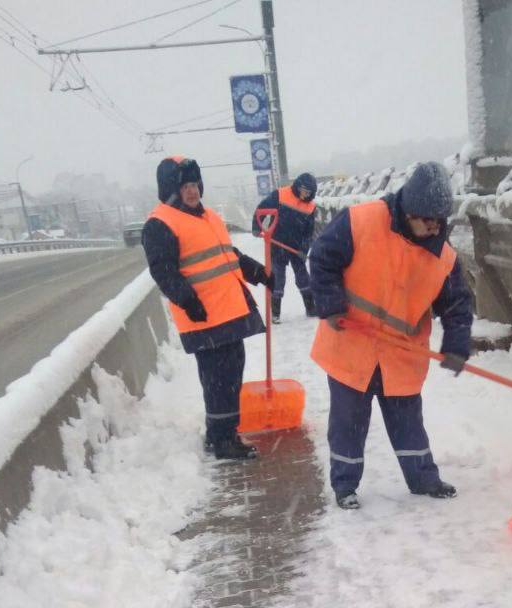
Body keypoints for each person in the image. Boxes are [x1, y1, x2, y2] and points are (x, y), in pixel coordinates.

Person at [309, 162, 473, 509]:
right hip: (350, 345)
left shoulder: (444, 257)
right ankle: (344, 486)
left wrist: (457, 344)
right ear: (408, 211)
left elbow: (458, 304)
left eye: (440, 220)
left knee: (408, 422)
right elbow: (322, 259)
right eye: (427, 219)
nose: (434, 227)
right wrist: (331, 304)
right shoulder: (361, 221)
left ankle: (424, 480)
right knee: (347, 423)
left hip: (402, 353)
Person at [141, 156, 272, 461]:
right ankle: (224, 440)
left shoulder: (207, 216)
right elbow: (163, 270)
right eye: (185, 186)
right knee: (219, 379)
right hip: (203, 315)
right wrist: (187, 301)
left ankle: (220, 433)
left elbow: (227, 255)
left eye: (195, 184)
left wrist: (258, 272)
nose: (192, 191)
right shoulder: (160, 224)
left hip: (228, 310)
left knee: (230, 374)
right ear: (171, 190)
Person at [252, 171, 318, 322]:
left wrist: (304, 249)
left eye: (308, 192)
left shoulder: (310, 207)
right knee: (278, 278)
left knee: (303, 278)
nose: (305, 195)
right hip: (277, 243)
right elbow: (262, 209)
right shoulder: (280, 195)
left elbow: (309, 232)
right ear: (298, 187)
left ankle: (311, 308)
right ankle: (275, 313)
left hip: (297, 247)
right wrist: (256, 226)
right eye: (303, 190)